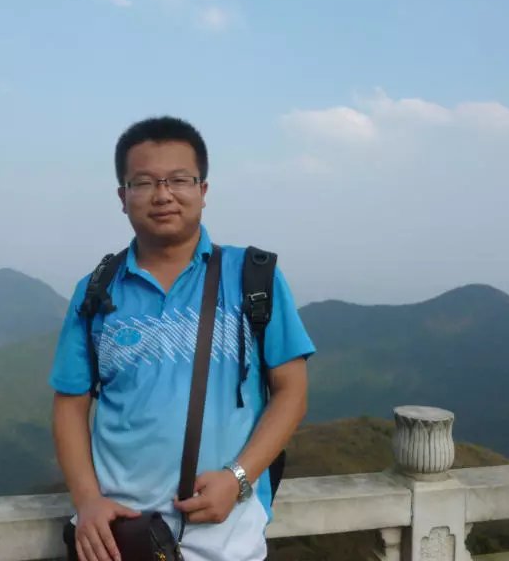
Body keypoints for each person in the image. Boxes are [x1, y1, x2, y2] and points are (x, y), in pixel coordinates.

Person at [49, 116, 315, 561]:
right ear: (123, 197)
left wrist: (237, 478)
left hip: (228, 537)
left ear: (203, 190)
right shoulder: (97, 291)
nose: (163, 195)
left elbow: (292, 393)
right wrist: (87, 500)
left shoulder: (252, 278)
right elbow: (69, 405)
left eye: (178, 180)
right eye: (144, 182)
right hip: (120, 537)